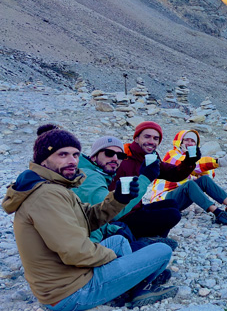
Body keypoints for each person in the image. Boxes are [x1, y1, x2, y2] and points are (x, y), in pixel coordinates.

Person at [2, 124, 177, 310]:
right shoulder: (46, 196)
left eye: (75, 155)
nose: (72, 161)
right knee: (161, 250)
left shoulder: (54, 186)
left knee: (118, 240)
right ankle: (136, 287)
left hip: (66, 277)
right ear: (43, 160)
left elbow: (87, 216)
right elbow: (75, 251)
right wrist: (115, 258)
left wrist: (117, 199)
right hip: (69, 293)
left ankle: (129, 286)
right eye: (63, 155)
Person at [74, 135, 178, 251]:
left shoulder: (101, 173)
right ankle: (144, 246)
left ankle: (144, 243)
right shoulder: (91, 176)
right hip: (90, 242)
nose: (115, 158)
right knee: (169, 221)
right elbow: (109, 211)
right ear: (93, 157)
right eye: (109, 153)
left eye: (120, 156)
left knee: (172, 205)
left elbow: (96, 214)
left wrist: (190, 161)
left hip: (105, 224)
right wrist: (145, 178)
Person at [112, 121, 200, 238]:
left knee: (172, 204)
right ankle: (139, 239)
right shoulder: (124, 158)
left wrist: (189, 161)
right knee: (172, 215)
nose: (151, 141)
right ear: (136, 138)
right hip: (120, 215)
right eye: (147, 137)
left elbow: (173, 174)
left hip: (136, 208)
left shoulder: (150, 158)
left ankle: (154, 239)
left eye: (155, 138)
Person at [150, 129, 227, 226]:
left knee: (204, 180)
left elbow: (206, 174)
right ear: (180, 142)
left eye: (193, 141)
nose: (190, 143)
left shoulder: (193, 158)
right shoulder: (172, 155)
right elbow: (192, 164)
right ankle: (218, 213)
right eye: (186, 140)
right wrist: (217, 162)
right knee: (190, 184)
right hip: (162, 201)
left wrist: (204, 168)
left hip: (177, 199)